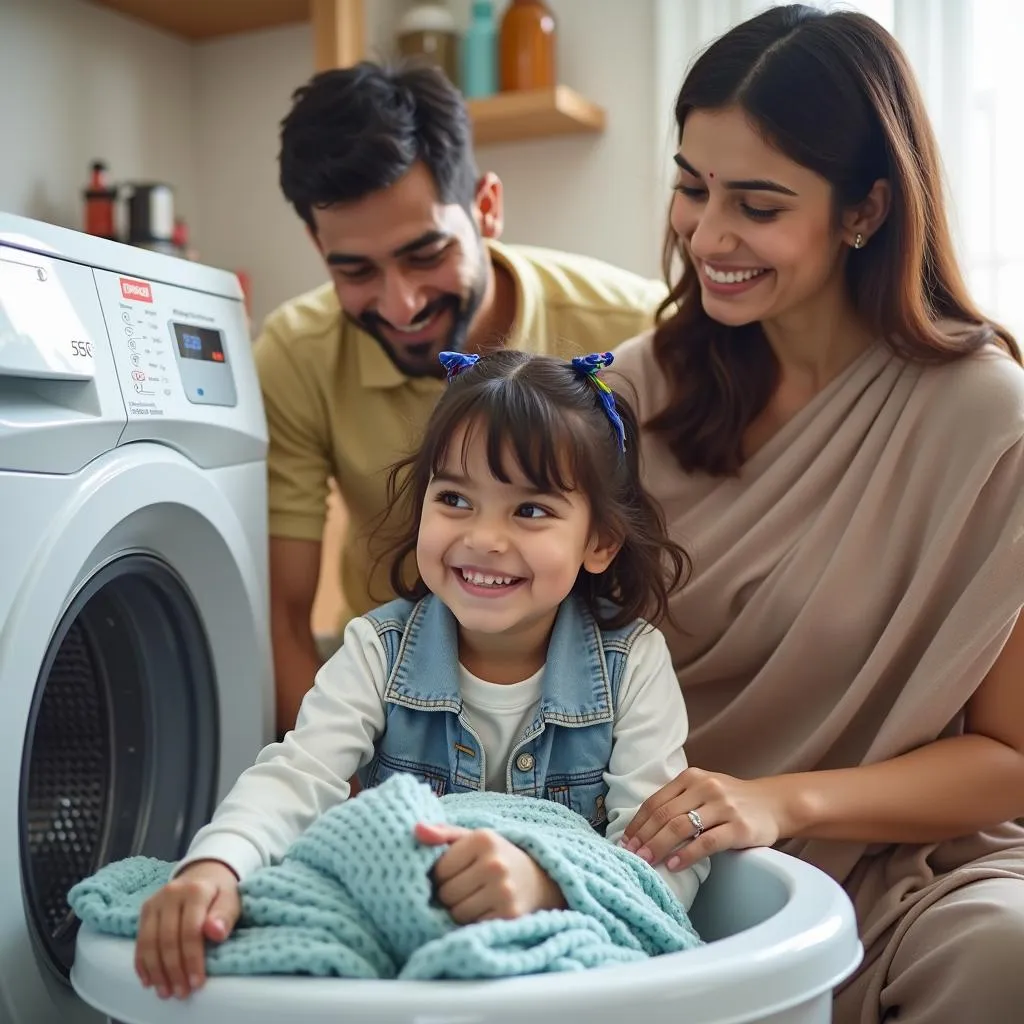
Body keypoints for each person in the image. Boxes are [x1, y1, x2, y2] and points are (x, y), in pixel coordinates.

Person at [604, 6, 1024, 1023]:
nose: (707, 235)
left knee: (1004, 950)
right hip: (658, 848)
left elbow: (1009, 760)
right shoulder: (627, 394)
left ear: (864, 210)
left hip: (896, 860)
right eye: (689, 186)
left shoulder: (986, 419)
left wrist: (783, 800)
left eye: (755, 203)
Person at [133, 349, 710, 1001]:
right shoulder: (377, 649)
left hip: (559, 981)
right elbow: (299, 775)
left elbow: (664, 859)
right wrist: (217, 863)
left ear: (600, 541)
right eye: (456, 499)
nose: (484, 538)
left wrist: (546, 884)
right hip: (403, 969)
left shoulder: (631, 662)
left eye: (530, 510)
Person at [257, 62, 667, 734]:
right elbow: (284, 613)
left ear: (487, 206)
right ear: (316, 245)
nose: (401, 303)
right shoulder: (296, 353)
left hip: (599, 714)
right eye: (354, 270)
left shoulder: (635, 332)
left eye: (425, 255)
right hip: (389, 705)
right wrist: (350, 792)